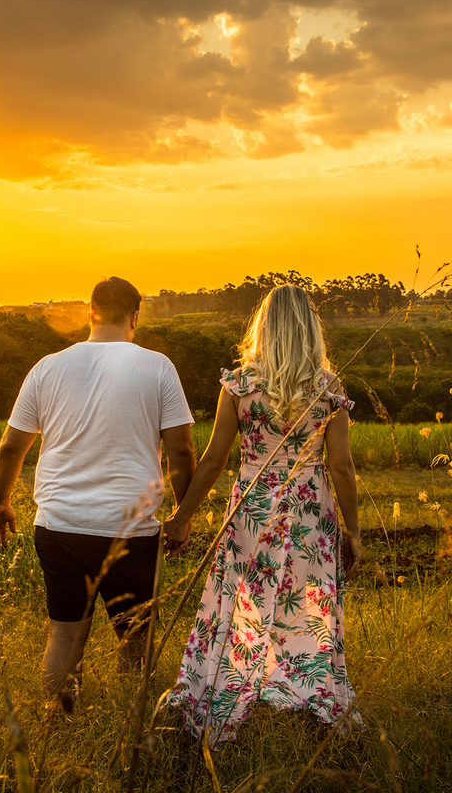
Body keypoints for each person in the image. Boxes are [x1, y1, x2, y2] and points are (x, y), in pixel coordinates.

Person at [162, 284, 361, 744]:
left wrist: (181, 516)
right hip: (311, 512)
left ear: (263, 327)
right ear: (309, 328)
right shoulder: (328, 387)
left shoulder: (240, 384)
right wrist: (353, 532)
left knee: (240, 600)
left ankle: (231, 687)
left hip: (252, 509)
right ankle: (305, 690)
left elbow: (213, 460)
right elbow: (342, 467)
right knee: (309, 601)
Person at [0, 276, 196, 703]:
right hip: (131, 529)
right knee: (135, 638)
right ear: (135, 317)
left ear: (90, 313)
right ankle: (129, 721)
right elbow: (181, 451)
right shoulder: (158, 367)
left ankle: (58, 723)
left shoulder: (47, 367)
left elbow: (10, 447)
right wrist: (181, 515)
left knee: (64, 637)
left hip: (60, 525)